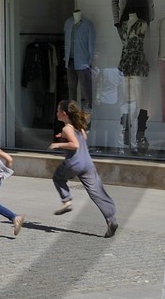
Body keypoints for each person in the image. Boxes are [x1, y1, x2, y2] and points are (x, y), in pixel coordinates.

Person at [48, 100, 119, 237]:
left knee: (58, 178)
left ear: (63, 113)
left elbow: (75, 145)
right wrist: (63, 138)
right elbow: (83, 137)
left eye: (58, 110)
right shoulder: (78, 126)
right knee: (96, 191)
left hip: (74, 163)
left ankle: (66, 201)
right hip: (87, 163)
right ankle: (111, 219)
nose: (56, 113)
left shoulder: (66, 128)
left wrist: (58, 145)